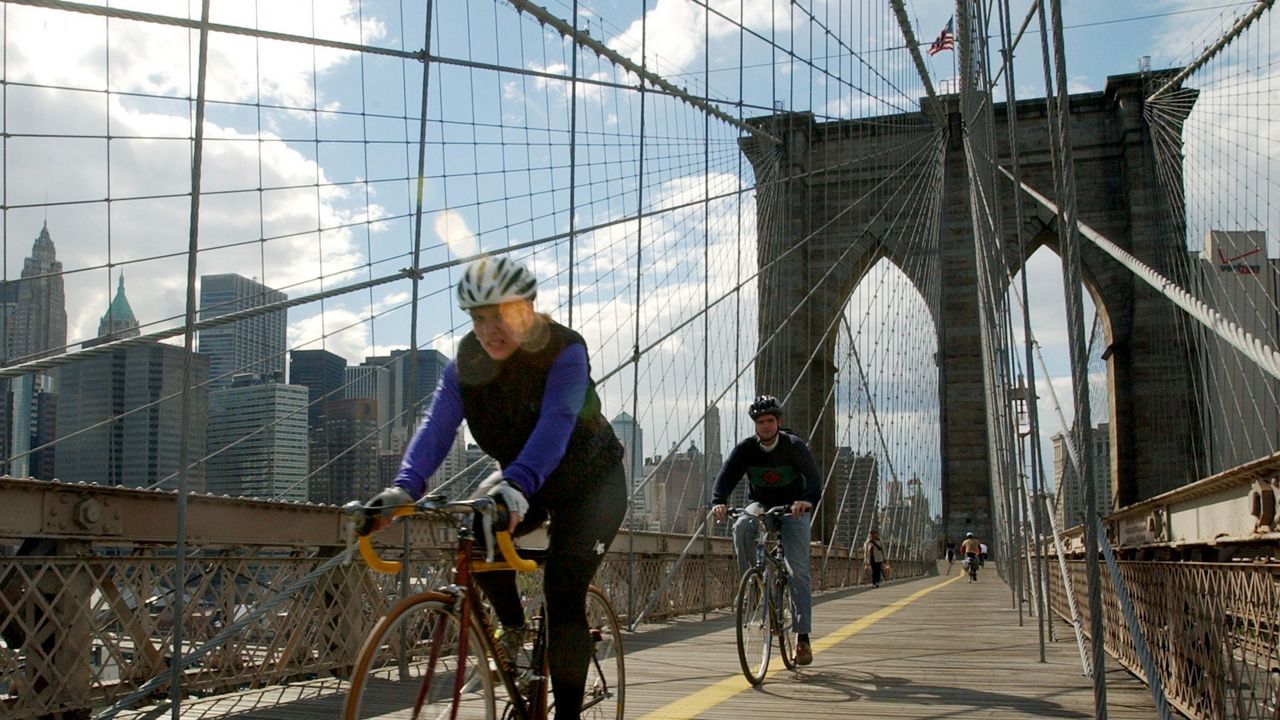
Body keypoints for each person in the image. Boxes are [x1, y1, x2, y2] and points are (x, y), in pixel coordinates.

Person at [358, 256, 626, 719]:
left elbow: (557, 423)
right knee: (475, 533)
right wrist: (404, 489)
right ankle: (514, 630)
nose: (488, 330)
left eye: (500, 316)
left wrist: (517, 484)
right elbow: (437, 426)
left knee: (563, 593)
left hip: (591, 482)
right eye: (479, 319)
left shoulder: (564, 350)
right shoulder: (467, 362)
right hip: (526, 480)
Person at [711, 395, 821, 666]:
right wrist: (719, 502)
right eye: (761, 422)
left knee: (798, 571)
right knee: (742, 526)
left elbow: (814, 478)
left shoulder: (794, 446)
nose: (766, 426)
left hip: (793, 509)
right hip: (761, 505)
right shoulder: (746, 449)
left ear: (779, 422)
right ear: (755, 425)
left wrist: (806, 501)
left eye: (770, 420)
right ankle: (755, 585)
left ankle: (803, 638)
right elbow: (725, 477)